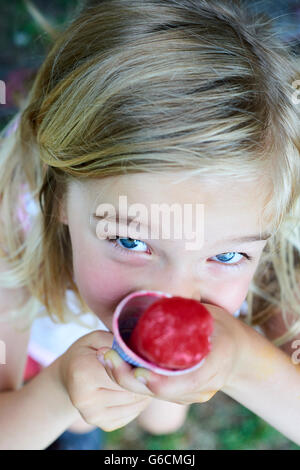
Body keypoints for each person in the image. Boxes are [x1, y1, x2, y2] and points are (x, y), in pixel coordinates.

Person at [0, 0, 300, 449]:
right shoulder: (14, 220)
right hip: (39, 363)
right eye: (129, 239)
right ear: (58, 195)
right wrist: (59, 390)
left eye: (226, 255)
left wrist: (242, 360)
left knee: (161, 420)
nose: (175, 299)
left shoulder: (272, 231)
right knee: (80, 428)